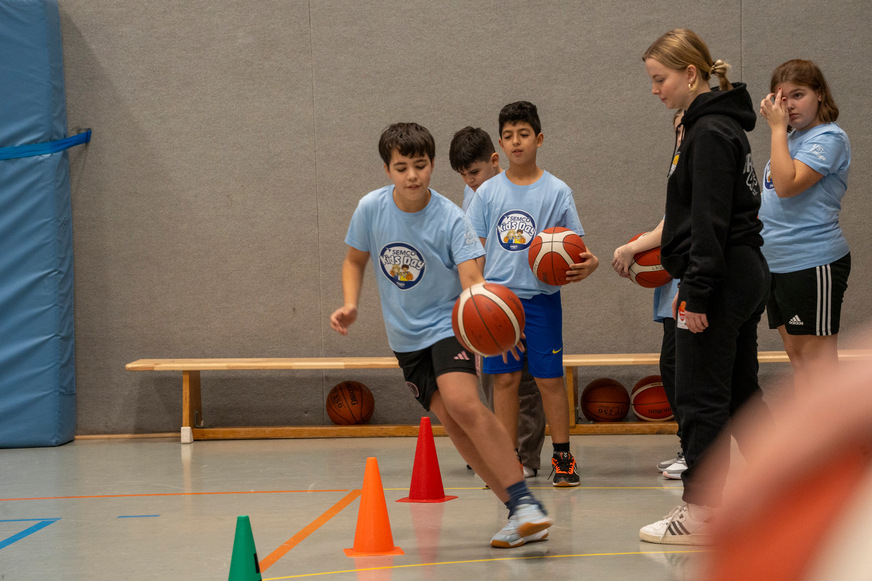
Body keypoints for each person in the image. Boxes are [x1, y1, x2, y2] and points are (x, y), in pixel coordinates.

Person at [329, 122, 551, 549]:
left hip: (450, 326)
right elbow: (355, 260)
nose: (412, 175)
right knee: (452, 423)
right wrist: (351, 303)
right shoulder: (370, 209)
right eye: (401, 167)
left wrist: (493, 324)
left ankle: (525, 500)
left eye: (420, 165)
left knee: (465, 403)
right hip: (405, 339)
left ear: (432, 165)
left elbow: (472, 277)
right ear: (386, 169)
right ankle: (517, 512)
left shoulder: (451, 217)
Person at [637, 29, 770, 545]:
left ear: (690, 74)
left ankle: (702, 513)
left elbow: (709, 223)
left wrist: (695, 293)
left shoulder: (710, 132)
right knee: (739, 393)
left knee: (699, 395)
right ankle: (779, 488)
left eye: (660, 79)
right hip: (743, 274)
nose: (655, 90)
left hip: (722, 277)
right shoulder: (715, 126)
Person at [465, 102, 599, 488]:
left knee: (549, 380)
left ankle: (563, 458)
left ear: (538, 139)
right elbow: (473, 250)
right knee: (504, 381)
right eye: (508, 136)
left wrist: (587, 265)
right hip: (498, 305)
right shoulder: (487, 193)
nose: (515, 141)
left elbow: (577, 249)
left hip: (541, 300)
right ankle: (508, 461)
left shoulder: (557, 191)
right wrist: (476, 295)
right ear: (501, 146)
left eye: (523, 134)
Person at [449, 126, 546, 478]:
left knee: (527, 382)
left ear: (494, 160)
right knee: (494, 379)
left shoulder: (513, 190)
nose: (469, 180)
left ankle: (528, 456)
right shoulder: (470, 194)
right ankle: (500, 450)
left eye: (474, 172)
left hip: (520, 297)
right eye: (463, 175)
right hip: (485, 300)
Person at [758, 59, 851, 395]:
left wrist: (777, 129)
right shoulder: (790, 139)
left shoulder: (829, 137)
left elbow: (786, 184)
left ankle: (847, 447)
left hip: (812, 263)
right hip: (778, 265)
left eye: (798, 94)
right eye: (781, 98)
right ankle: (819, 447)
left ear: (820, 95)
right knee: (798, 359)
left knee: (819, 364)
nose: (789, 105)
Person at [612, 110, 685, 481]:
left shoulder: (706, 156)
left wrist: (631, 250)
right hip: (677, 290)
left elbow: (680, 223)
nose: (680, 134)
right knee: (672, 368)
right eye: (676, 128)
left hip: (696, 287)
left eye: (685, 124)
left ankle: (702, 452)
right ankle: (691, 446)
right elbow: (671, 217)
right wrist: (643, 254)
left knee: (686, 372)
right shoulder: (680, 166)